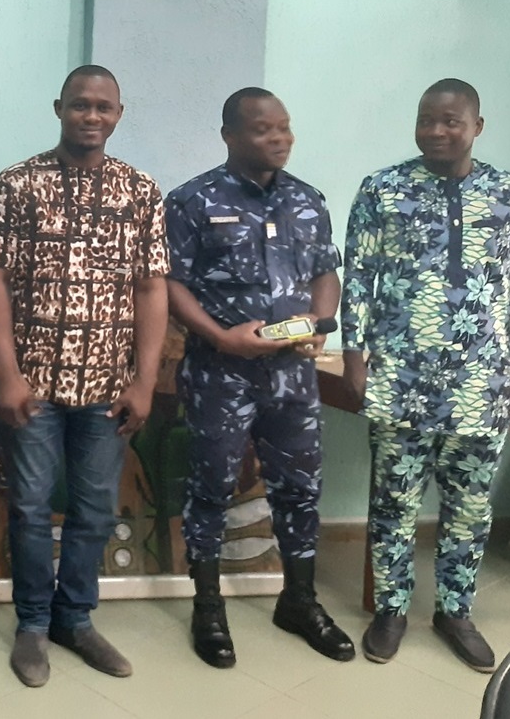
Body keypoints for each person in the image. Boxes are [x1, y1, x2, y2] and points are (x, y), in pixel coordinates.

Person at [342, 78, 510, 672]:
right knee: (393, 501)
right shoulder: (383, 189)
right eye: (426, 119)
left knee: (469, 507)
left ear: (477, 126)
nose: (435, 130)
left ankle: (456, 611)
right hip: (402, 376)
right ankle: (391, 610)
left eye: (450, 121)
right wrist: (354, 357)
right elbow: (358, 275)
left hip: (483, 383)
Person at [0, 64, 168, 687]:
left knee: (92, 511)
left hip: (107, 387)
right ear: (58, 107)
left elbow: (150, 288)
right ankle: (33, 624)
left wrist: (143, 382)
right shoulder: (16, 183)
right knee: (31, 508)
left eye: (103, 107)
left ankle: (76, 619)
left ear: (120, 114)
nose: (91, 116)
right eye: (80, 105)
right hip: (31, 382)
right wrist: (5, 371)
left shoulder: (141, 191)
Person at [165, 87, 355, 669]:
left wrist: (321, 323)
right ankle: (208, 607)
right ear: (230, 135)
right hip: (220, 372)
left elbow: (326, 270)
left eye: (285, 128)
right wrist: (220, 337)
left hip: (292, 375)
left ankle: (298, 600)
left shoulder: (307, 199)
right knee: (211, 489)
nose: (279, 139)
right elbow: (171, 285)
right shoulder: (191, 200)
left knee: (299, 488)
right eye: (264, 129)